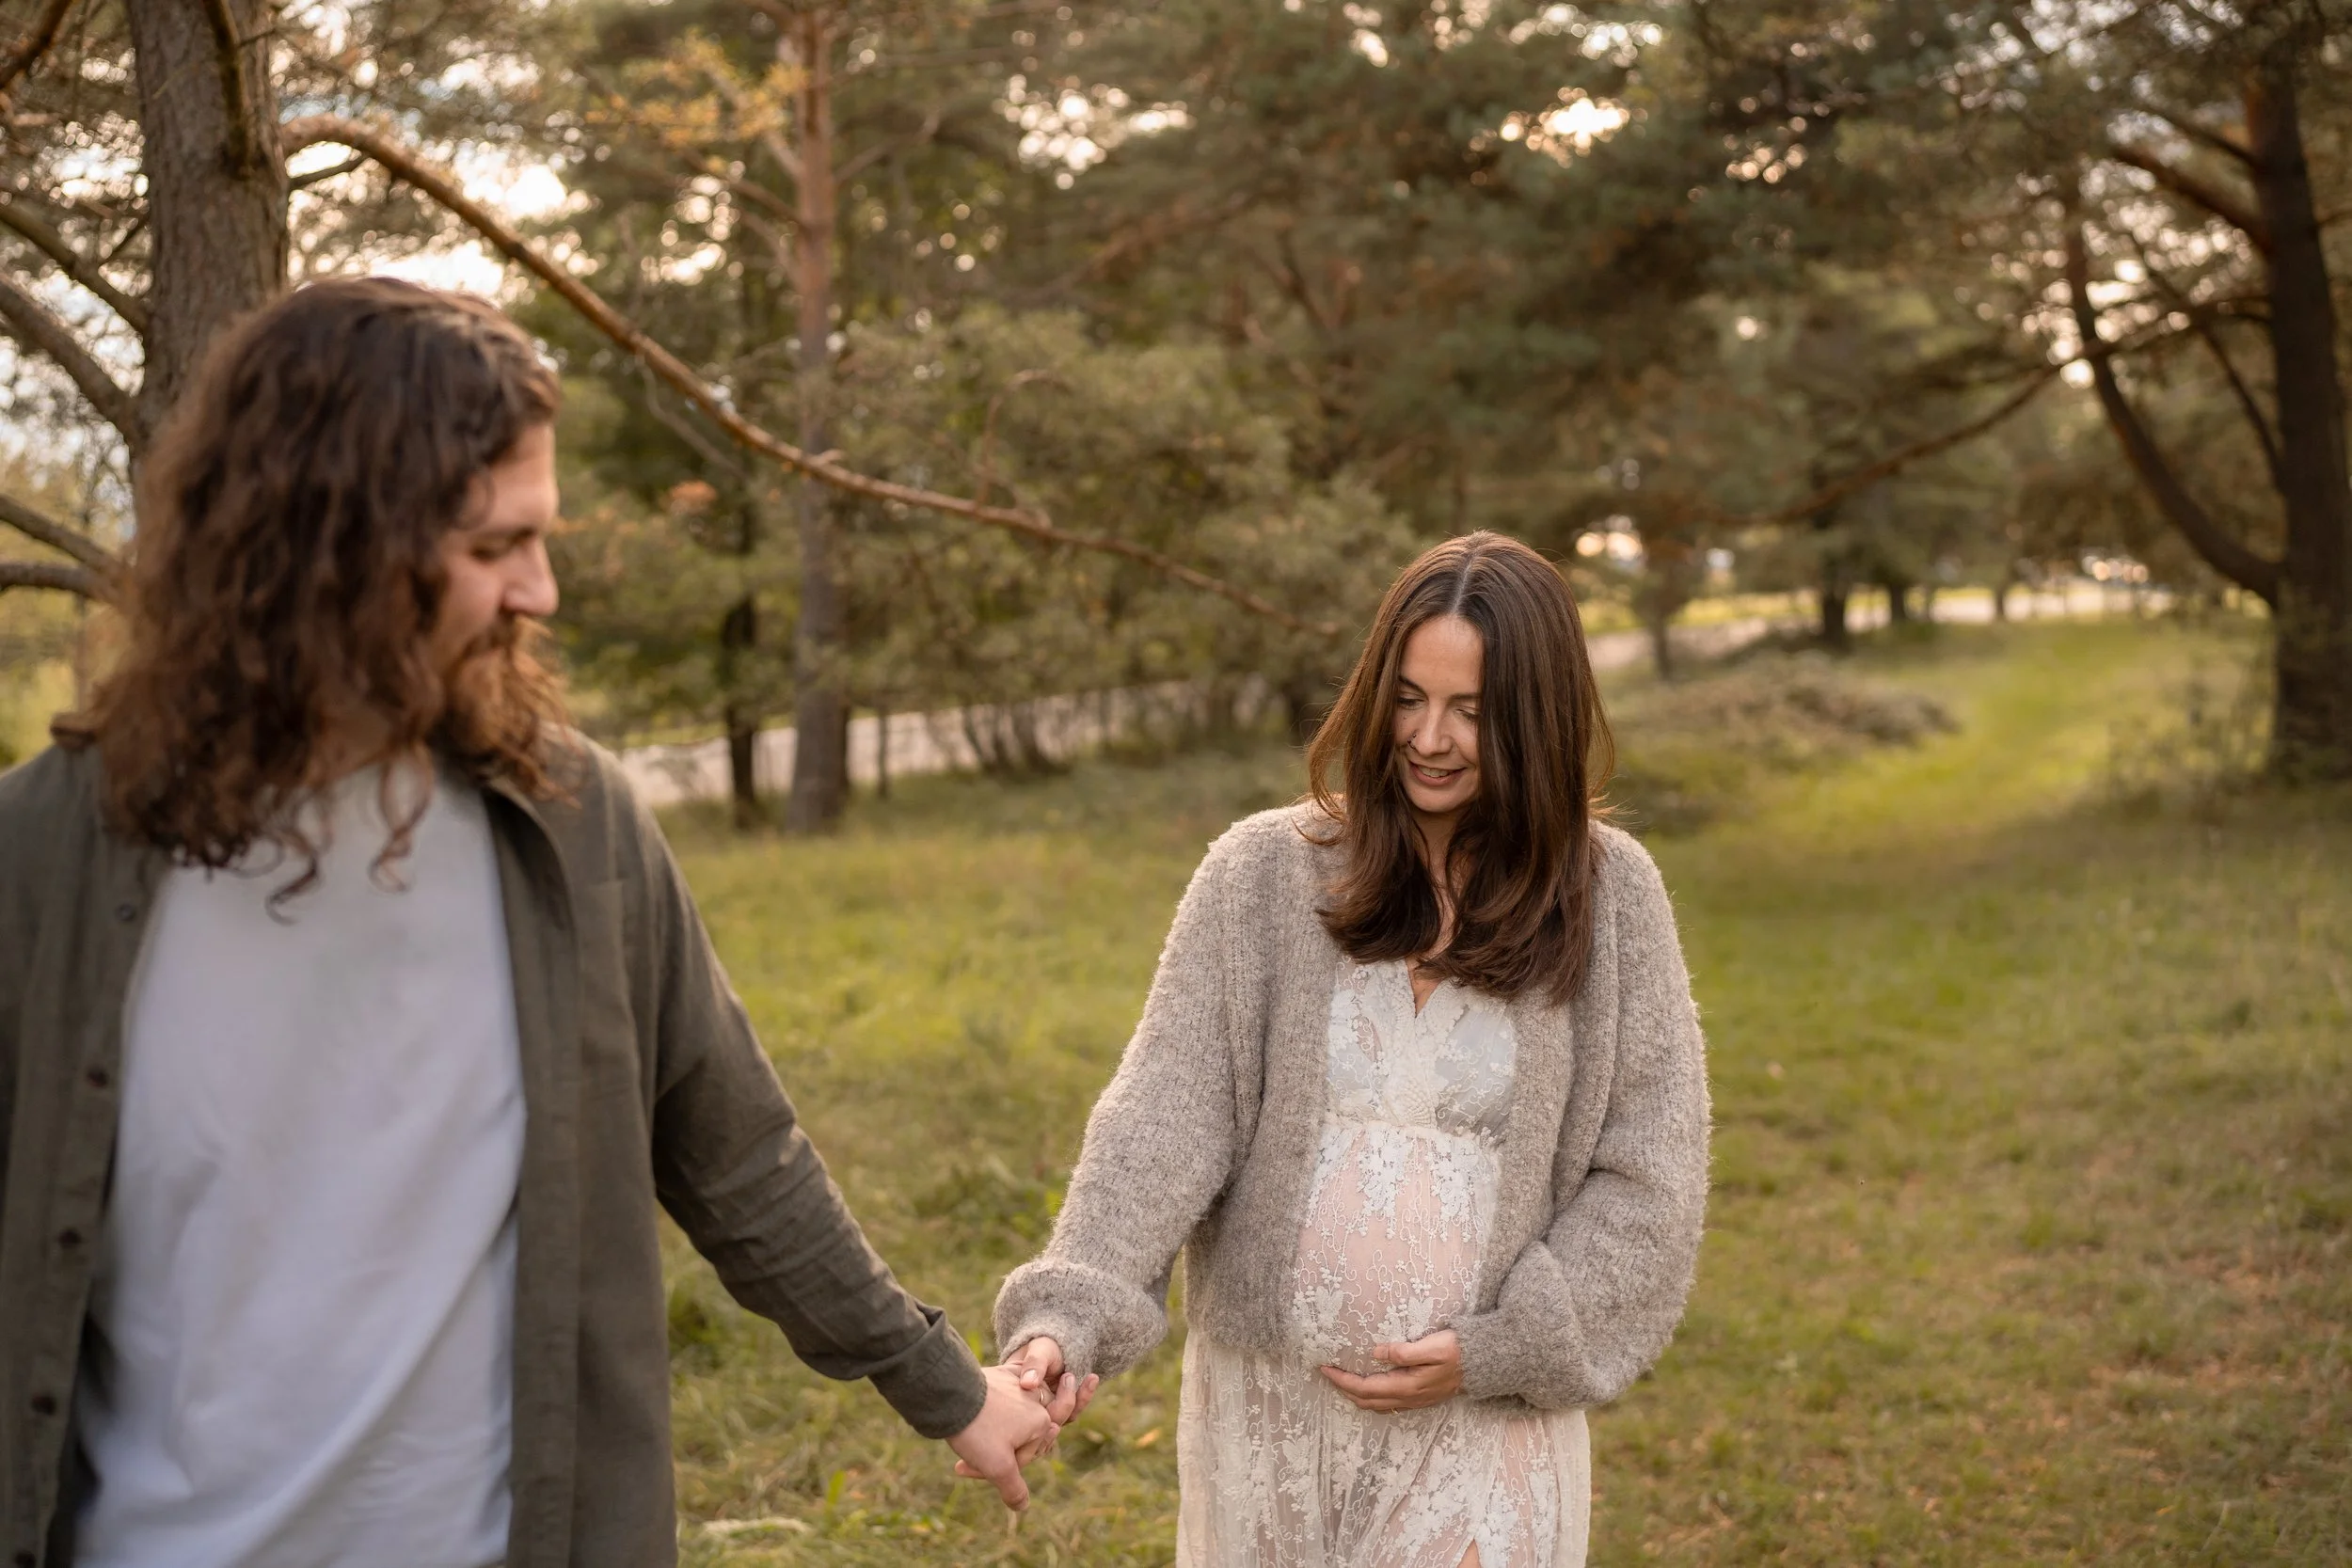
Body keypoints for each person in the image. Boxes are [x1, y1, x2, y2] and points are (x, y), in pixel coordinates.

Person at [0, 277, 1056, 1568]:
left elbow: (740, 1157)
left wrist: (948, 1384)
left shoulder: (575, 829)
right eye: (498, 546)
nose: (541, 590)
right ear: (329, 539)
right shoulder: (48, 853)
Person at [993, 532, 1711, 1567]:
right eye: (1409, 698)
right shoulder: (1261, 875)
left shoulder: (1610, 897)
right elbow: (1163, 1114)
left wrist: (1495, 1349)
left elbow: (1651, 1176)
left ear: (1537, 719)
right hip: (1271, 1413)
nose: (1429, 737)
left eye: (1471, 711)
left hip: (1486, 1416)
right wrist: (1066, 1314)